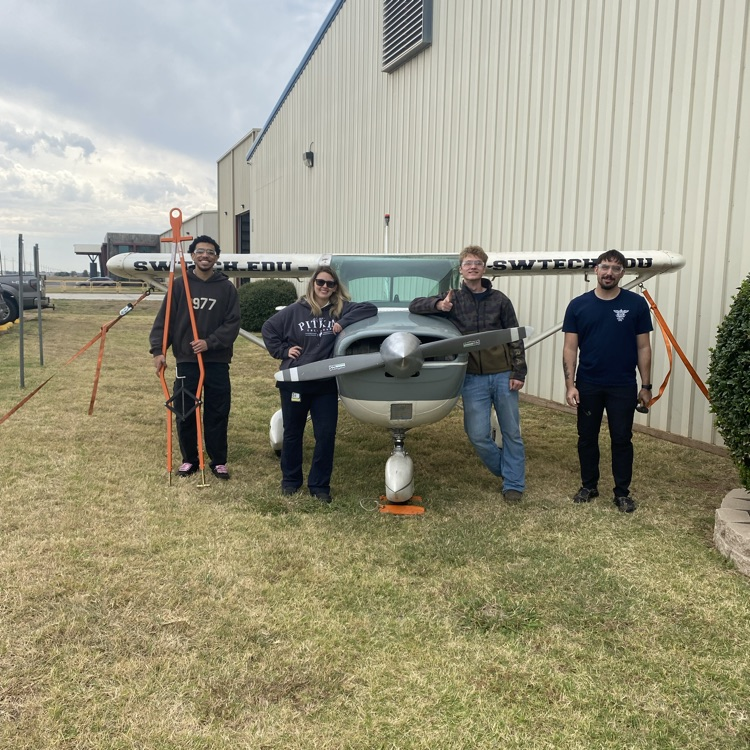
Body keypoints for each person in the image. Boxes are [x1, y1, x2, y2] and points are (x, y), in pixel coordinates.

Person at [409, 245, 527, 501]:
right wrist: (438, 304)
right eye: (468, 263)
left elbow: (515, 337)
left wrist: (519, 371)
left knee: (511, 431)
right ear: (461, 270)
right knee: (477, 435)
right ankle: (507, 471)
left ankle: (514, 484)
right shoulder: (453, 298)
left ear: (484, 268)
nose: (473, 267)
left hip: (503, 374)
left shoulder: (500, 300)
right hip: (472, 377)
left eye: (478, 263)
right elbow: (415, 305)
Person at [261, 266, 377, 503]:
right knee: (292, 433)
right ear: (313, 283)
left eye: (330, 284)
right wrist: (283, 350)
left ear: (336, 287)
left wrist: (343, 321)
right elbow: (269, 329)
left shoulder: (340, 309)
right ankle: (291, 481)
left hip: (325, 383)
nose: (325, 287)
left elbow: (370, 308)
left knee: (325, 435)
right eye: (321, 282)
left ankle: (319, 485)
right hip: (296, 381)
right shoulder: (295, 311)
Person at [562, 249, 653, 513]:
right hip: (588, 384)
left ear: (622, 273)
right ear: (595, 270)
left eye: (615, 268)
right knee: (586, 437)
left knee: (622, 439)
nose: (609, 273)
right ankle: (589, 486)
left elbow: (644, 348)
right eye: (604, 267)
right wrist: (571, 385)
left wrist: (646, 386)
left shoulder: (636, 305)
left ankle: (622, 493)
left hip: (623, 385)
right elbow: (570, 348)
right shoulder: (578, 305)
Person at [149, 235, 241, 480]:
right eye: (200, 251)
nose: (205, 256)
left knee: (217, 410)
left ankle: (218, 460)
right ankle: (190, 458)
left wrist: (209, 342)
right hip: (187, 360)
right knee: (185, 410)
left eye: (210, 252)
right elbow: (165, 320)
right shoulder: (180, 286)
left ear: (217, 257)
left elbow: (232, 323)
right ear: (192, 255)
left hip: (217, 360)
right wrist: (159, 350)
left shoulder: (226, 288)